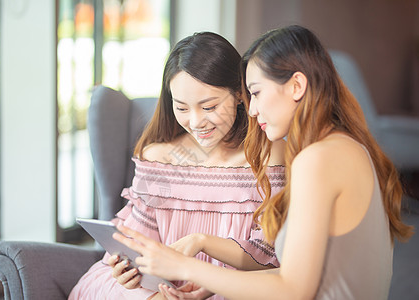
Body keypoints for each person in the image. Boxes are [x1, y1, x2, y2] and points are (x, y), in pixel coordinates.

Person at [113, 25, 414, 300]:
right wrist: (208, 275)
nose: (252, 110)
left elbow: (294, 290)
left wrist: (186, 267)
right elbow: (303, 276)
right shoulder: (344, 146)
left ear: (297, 86)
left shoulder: (316, 159)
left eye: (255, 93)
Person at [68, 32, 286, 300]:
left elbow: (268, 255)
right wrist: (127, 268)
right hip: (158, 287)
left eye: (209, 107)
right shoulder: (159, 157)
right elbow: (137, 241)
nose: (195, 122)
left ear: (240, 94)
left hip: (230, 287)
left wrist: (200, 243)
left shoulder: (269, 155)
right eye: (181, 108)